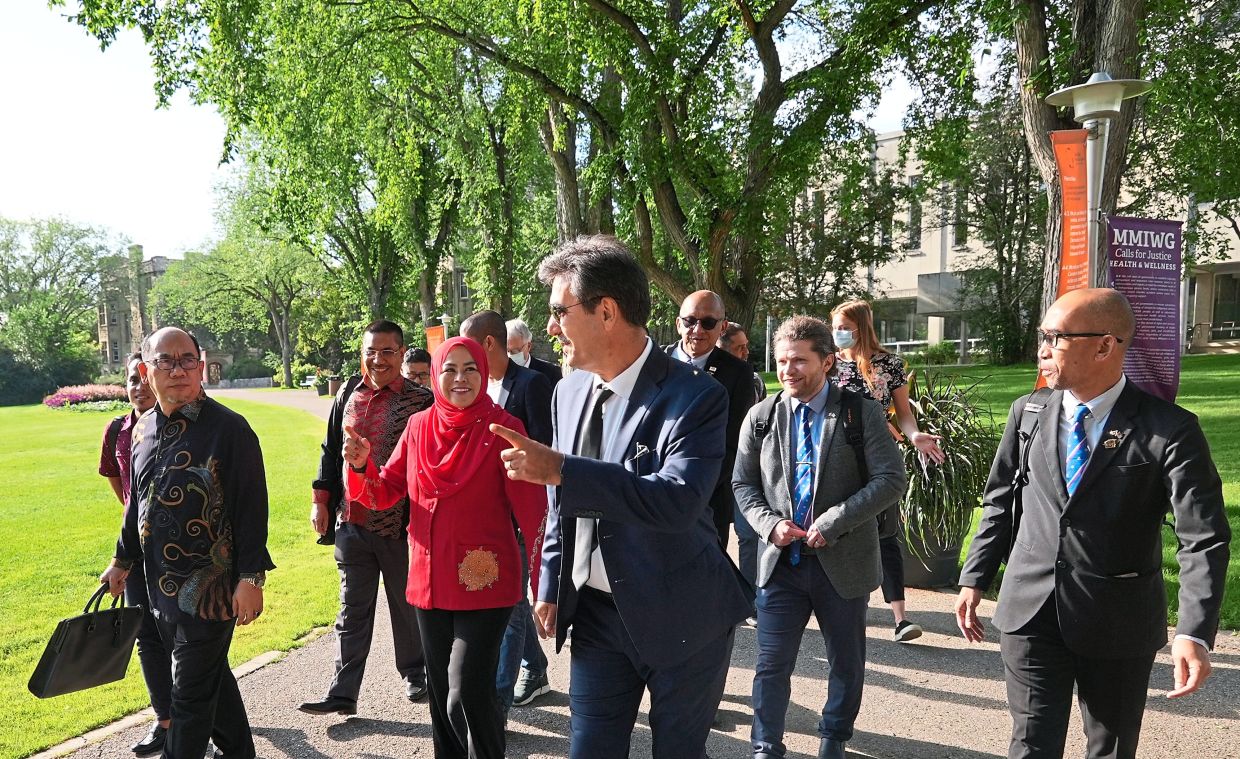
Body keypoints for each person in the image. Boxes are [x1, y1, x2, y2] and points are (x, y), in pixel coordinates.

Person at [491, 235, 753, 759]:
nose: (549, 328)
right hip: (595, 617)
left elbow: (677, 501)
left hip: (684, 615)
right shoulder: (567, 393)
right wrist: (548, 581)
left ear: (605, 311)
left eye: (558, 312)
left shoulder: (696, 395)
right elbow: (559, 505)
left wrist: (561, 469)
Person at [955, 288, 1231, 759]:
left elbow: (1202, 537)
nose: (1042, 349)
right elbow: (1002, 500)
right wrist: (975, 577)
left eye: (1055, 337)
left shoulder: (1169, 428)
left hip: (1117, 617)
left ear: (1104, 345)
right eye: (1042, 335)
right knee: (1030, 744)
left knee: (1110, 747)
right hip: (1030, 610)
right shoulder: (1029, 411)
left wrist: (1193, 632)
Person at [342, 337, 547, 759]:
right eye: (449, 368)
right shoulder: (418, 427)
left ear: (485, 373)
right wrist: (362, 465)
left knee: (466, 690)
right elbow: (385, 493)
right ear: (436, 375)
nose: (460, 378)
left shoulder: (504, 429)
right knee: (441, 699)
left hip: (485, 582)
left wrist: (544, 586)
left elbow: (535, 513)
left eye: (471, 368)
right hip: (428, 582)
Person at [733, 315, 907, 759]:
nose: (788, 370)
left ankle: (833, 739)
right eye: (781, 361)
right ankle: (765, 745)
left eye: (799, 361)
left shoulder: (860, 411)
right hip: (781, 565)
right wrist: (770, 524)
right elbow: (743, 486)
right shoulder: (761, 416)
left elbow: (891, 480)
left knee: (845, 663)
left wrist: (834, 521)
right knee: (770, 666)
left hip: (843, 564)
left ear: (827, 361)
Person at [100, 327, 274, 759]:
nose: (178, 370)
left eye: (187, 359)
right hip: (159, 588)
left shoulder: (229, 430)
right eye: (165, 361)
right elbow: (136, 504)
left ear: (200, 365)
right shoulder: (142, 430)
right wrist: (121, 560)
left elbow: (252, 508)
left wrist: (251, 578)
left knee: (188, 699)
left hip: (210, 593)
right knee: (210, 681)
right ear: (145, 369)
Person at [301, 321, 434, 717]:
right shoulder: (347, 393)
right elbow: (330, 449)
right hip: (351, 520)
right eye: (371, 351)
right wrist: (321, 500)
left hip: (399, 525)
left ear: (402, 351)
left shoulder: (421, 401)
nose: (377, 360)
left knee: (404, 605)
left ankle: (414, 671)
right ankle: (343, 691)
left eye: (387, 352)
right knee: (351, 608)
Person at [830, 299, 945, 642]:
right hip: (836, 458)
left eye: (843, 327)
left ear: (860, 328)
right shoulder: (827, 364)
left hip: (879, 458)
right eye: (835, 326)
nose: (838, 334)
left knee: (885, 533)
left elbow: (903, 413)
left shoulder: (889, 365)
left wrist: (915, 435)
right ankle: (841, 611)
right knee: (838, 527)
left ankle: (900, 618)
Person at [460, 310, 556, 711]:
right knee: (512, 601)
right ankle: (535, 669)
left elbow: (548, 451)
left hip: (521, 514)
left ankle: (495, 703)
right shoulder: (475, 389)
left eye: (468, 344)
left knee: (511, 603)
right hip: (487, 516)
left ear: (487, 345)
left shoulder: (532, 386)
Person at [98, 352, 169, 757]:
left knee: (186, 636)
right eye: (131, 380)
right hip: (136, 549)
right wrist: (133, 521)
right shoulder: (117, 430)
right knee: (145, 634)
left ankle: (202, 715)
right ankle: (165, 720)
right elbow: (116, 479)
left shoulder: (180, 426)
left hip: (182, 550)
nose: (138, 387)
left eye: (144, 378)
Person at [663, 291, 757, 554]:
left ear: (722, 327)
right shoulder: (655, 364)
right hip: (655, 491)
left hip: (708, 496)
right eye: (690, 320)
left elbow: (734, 440)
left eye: (708, 323)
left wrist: (698, 487)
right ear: (678, 323)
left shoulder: (737, 372)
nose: (697, 330)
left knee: (704, 576)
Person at [719, 321, 767, 404]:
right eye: (740, 348)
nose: (746, 352)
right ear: (722, 351)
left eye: (746, 346)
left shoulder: (756, 381)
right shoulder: (710, 381)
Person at [506, 317, 563, 387]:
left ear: (529, 346)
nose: (509, 355)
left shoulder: (551, 373)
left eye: (514, 351)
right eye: (505, 351)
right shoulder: (498, 374)